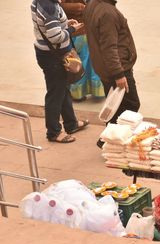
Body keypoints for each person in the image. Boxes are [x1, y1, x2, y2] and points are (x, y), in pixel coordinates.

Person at [83, 0, 140, 148]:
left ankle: (109, 139)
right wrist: (119, 74)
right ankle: (110, 140)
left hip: (105, 67)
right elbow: (109, 47)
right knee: (130, 105)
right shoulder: (107, 12)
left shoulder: (93, 4)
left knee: (116, 106)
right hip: (117, 69)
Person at [31, 0, 89, 143]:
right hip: (53, 57)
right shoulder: (49, 7)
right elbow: (55, 36)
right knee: (55, 94)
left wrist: (64, 24)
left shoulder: (39, 2)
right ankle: (54, 132)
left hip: (48, 53)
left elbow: (48, 27)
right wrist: (72, 30)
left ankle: (71, 123)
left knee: (62, 89)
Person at [60, 0, 105, 102]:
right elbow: (58, 6)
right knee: (77, 63)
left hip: (89, 30)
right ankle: (78, 94)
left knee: (92, 62)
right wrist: (80, 7)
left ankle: (96, 92)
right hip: (75, 32)